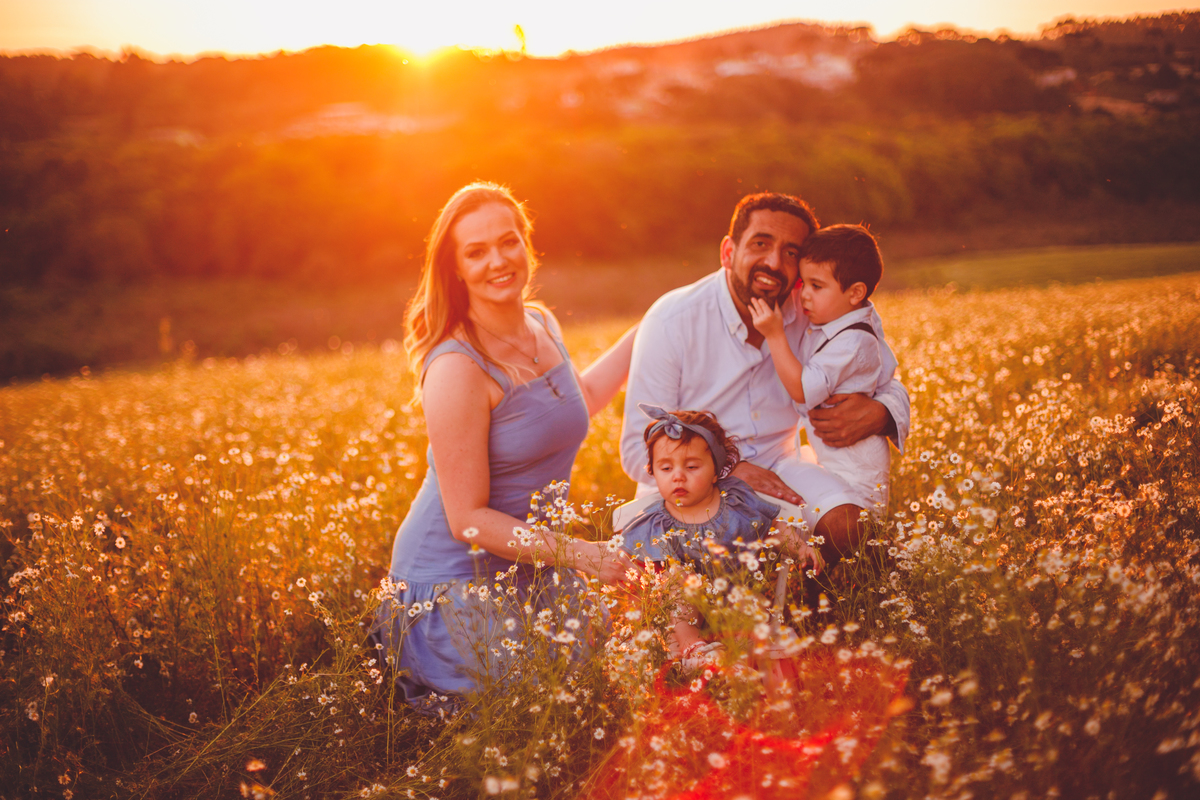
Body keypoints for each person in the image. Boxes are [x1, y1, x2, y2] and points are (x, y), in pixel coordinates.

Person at [372, 182, 637, 709]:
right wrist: (583, 555)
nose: (498, 260)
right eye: (476, 252)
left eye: (508, 241)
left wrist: (652, 329)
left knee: (607, 677)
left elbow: (575, 401)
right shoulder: (457, 366)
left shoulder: (541, 323)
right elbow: (466, 520)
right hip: (451, 582)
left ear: (527, 244)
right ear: (455, 269)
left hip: (527, 563)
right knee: (544, 706)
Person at [619, 193, 909, 567]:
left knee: (850, 526)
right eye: (760, 244)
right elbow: (636, 448)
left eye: (790, 253)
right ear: (728, 252)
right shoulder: (671, 319)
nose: (773, 262)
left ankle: (820, 594)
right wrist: (725, 470)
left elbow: (879, 369)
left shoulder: (814, 306)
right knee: (688, 573)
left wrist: (881, 413)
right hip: (692, 477)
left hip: (783, 467)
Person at [620, 405, 822, 669]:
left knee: (751, 619)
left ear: (716, 470)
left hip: (736, 603)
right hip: (683, 621)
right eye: (666, 468)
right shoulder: (655, 522)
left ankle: (743, 667)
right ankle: (694, 649)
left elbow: (774, 525)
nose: (678, 476)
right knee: (677, 578)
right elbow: (632, 570)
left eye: (692, 466)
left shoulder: (735, 503)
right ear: (653, 472)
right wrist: (637, 615)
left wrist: (800, 547)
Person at [749, 224, 895, 519]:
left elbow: (802, 390)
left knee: (858, 527)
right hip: (834, 458)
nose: (803, 295)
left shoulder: (852, 342)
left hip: (856, 467)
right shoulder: (845, 318)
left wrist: (775, 334)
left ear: (855, 293)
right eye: (802, 283)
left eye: (816, 286)